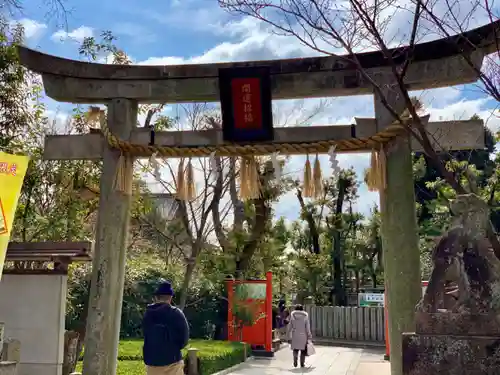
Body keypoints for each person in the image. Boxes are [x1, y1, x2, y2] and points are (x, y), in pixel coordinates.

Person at [142, 281, 189, 375]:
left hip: (152, 363)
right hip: (173, 362)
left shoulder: (148, 314)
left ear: (156, 297)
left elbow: (145, 334)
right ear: (170, 297)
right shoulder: (176, 313)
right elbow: (184, 339)